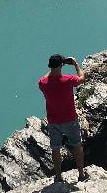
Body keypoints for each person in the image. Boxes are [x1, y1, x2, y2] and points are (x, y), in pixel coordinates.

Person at [39, 54, 87, 183]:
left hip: (53, 121)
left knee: (55, 148)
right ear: (61, 66)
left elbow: (45, 77)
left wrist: (54, 67)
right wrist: (76, 64)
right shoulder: (68, 80)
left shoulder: (43, 83)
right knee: (77, 145)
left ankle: (59, 176)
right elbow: (82, 78)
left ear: (50, 66)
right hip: (70, 119)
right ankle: (81, 175)